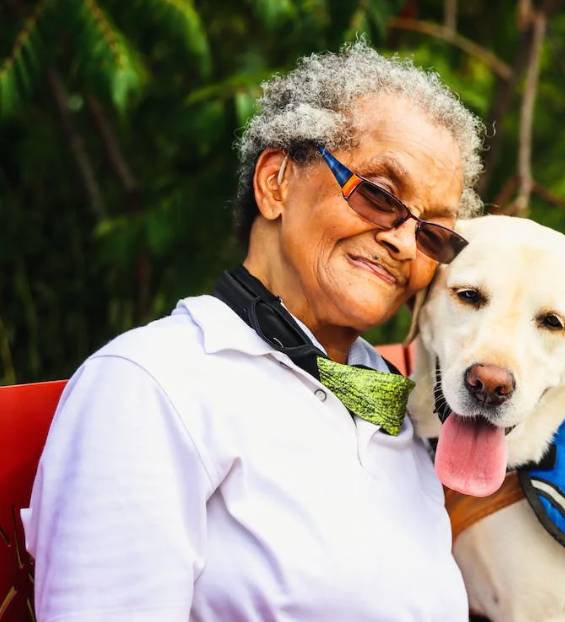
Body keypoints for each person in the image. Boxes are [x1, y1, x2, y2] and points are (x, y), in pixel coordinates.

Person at [22, 42, 484, 621]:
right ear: (275, 182)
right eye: (379, 194)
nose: (400, 240)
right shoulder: (153, 384)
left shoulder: (402, 403)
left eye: (432, 233)